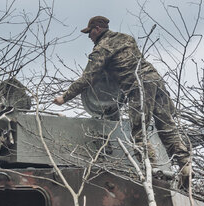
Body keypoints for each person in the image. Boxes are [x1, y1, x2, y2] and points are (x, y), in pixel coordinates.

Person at [53, 16, 191, 179]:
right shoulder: (126, 38)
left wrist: (64, 97)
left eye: (89, 32)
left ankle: (152, 171)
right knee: (167, 126)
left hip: (138, 86)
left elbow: (88, 77)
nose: (89, 37)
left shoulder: (102, 48)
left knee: (139, 132)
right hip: (154, 79)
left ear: (97, 29)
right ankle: (185, 165)